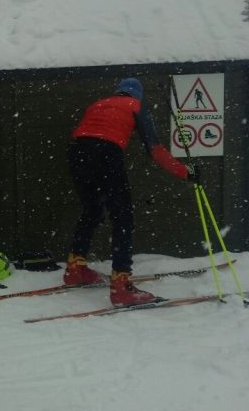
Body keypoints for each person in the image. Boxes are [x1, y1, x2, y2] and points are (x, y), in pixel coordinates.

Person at [64, 76, 197, 306]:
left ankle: (75, 268)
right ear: (138, 95)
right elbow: (155, 150)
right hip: (106, 153)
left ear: (118, 91)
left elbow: (87, 133)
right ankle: (121, 287)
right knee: (122, 217)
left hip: (77, 153)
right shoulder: (136, 106)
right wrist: (185, 172)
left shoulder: (97, 104)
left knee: (92, 210)